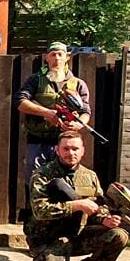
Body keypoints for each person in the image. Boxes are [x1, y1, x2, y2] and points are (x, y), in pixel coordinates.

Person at [26, 131, 128, 261]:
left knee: (118, 235)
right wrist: (76, 205)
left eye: (75, 149)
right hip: (48, 240)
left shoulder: (90, 176)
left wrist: (105, 219)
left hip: (77, 236)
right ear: (57, 150)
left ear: (83, 151)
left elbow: (99, 208)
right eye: (66, 149)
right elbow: (40, 211)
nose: (70, 153)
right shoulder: (42, 175)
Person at [14, 41, 91, 187]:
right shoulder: (35, 80)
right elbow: (20, 102)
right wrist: (47, 113)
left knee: (66, 185)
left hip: (65, 144)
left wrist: (77, 125)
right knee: (35, 183)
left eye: (60, 54)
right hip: (38, 142)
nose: (57, 58)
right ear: (46, 58)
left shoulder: (78, 84)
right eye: (53, 54)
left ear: (67, 58)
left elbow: (86, 112)